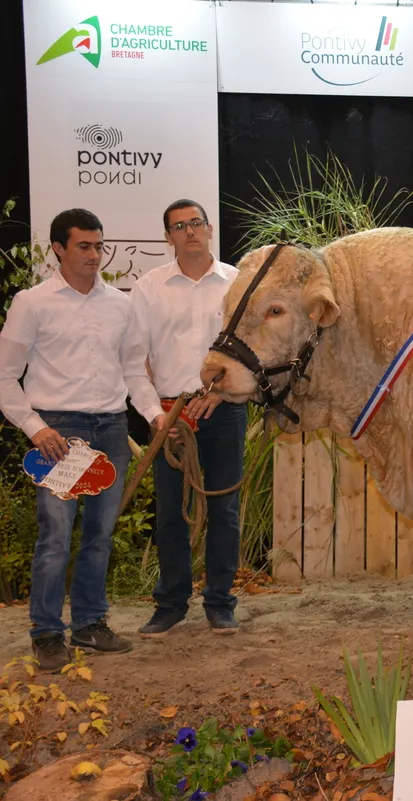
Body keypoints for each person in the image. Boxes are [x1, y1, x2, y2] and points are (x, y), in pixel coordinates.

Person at [0, 208, 165, 672]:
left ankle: (90, 625)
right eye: (84, 246)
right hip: (57, 433)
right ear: (58, 248)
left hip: (111, 427)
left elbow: (134, 369)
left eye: (99, 246)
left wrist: (155, 415)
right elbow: (4, 377)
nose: (95, 255)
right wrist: (37, 428)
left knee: (99, 535)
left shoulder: (120, 304)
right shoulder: (32, 303)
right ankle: (47, 633)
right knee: (55, 536)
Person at [131, 199, 246, 638]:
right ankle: (171, 605)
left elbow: (249, 353)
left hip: (223, 410)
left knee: (224, 510)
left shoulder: (237, 283)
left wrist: (219, 393)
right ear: (168, 237)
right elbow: (134, 359)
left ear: (210, 228)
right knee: (169, 515)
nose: (189, 231)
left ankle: (220, 603)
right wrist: (153, 414)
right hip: (169, 417)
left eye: (196, 223)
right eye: (179, 226)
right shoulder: (149, 287)